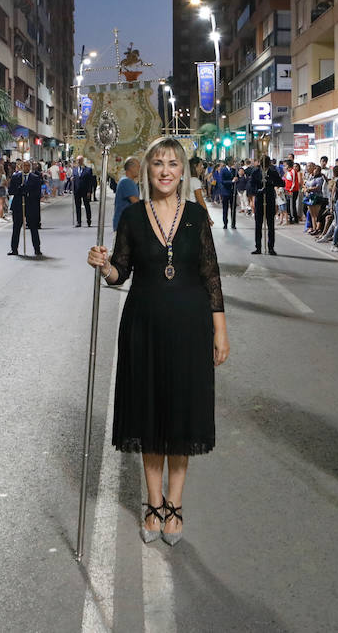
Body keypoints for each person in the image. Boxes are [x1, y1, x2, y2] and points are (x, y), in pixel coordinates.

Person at [86, 136, 229, 546]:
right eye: (157, 164)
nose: (165, 171)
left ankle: (176, 505)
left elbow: (212, 278)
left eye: (172, 164)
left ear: (182, 171)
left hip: (191, 326)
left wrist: (221, 331)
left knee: (181, 417)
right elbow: (121, 273)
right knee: (150, 416)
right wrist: (103, 266)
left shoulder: (198, 217)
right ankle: (153, 503)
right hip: (143, 327)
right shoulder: (132, 218)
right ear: (147, 171)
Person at [8, 161, 43, 257]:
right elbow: (10, 190)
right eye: (24, 166)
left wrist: (27, 192)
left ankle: (37, 248)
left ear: (30, 167)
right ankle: (14, 248)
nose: (26, 167)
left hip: (31, 206)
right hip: (18, 205)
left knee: (33, 228)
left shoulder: (35, 178)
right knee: (16, 227)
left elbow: (38, 194)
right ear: (21, 167)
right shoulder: (16, 177)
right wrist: (19, 190)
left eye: (28, 166)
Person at [251, 154, 283, 255]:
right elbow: (251, 187)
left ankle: (271, 247)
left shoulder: (273, 172)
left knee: (270, 225)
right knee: (258, 225)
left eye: (266, 165)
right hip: (260, 201)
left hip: (269, 200)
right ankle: (258, 247)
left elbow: (282, 183)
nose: (264, 167)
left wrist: (270, 181)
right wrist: (259, 191)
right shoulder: (255, 172)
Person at [113, 158, 142, 231]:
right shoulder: (127, 182)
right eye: (138, 167)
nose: (140, 169)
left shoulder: (126, 181)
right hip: (124, 226)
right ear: (131, 168)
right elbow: (136, 203)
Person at [73, 155, 96, 227]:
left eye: (80, 160)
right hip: (77, 191)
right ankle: (78, 221)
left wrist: (89, 191)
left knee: (87, 206)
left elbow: (90, 182)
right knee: (77, 206)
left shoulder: (88, 170)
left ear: (82, 161)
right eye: (77, 160)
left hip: (85, 191)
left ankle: (89, 220)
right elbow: (74, 180)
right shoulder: (74, 170)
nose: (78, 162)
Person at [215, 161, 237, 229]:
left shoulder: (234, 170)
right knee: (225, 208)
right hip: (225, 191)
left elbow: (237, 178)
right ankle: (225, 223)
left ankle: (233, 224)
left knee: (233, 208)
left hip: (232, 192)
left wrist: (236, 179)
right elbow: (222, 181)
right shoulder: (223, 170)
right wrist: (231, 181)